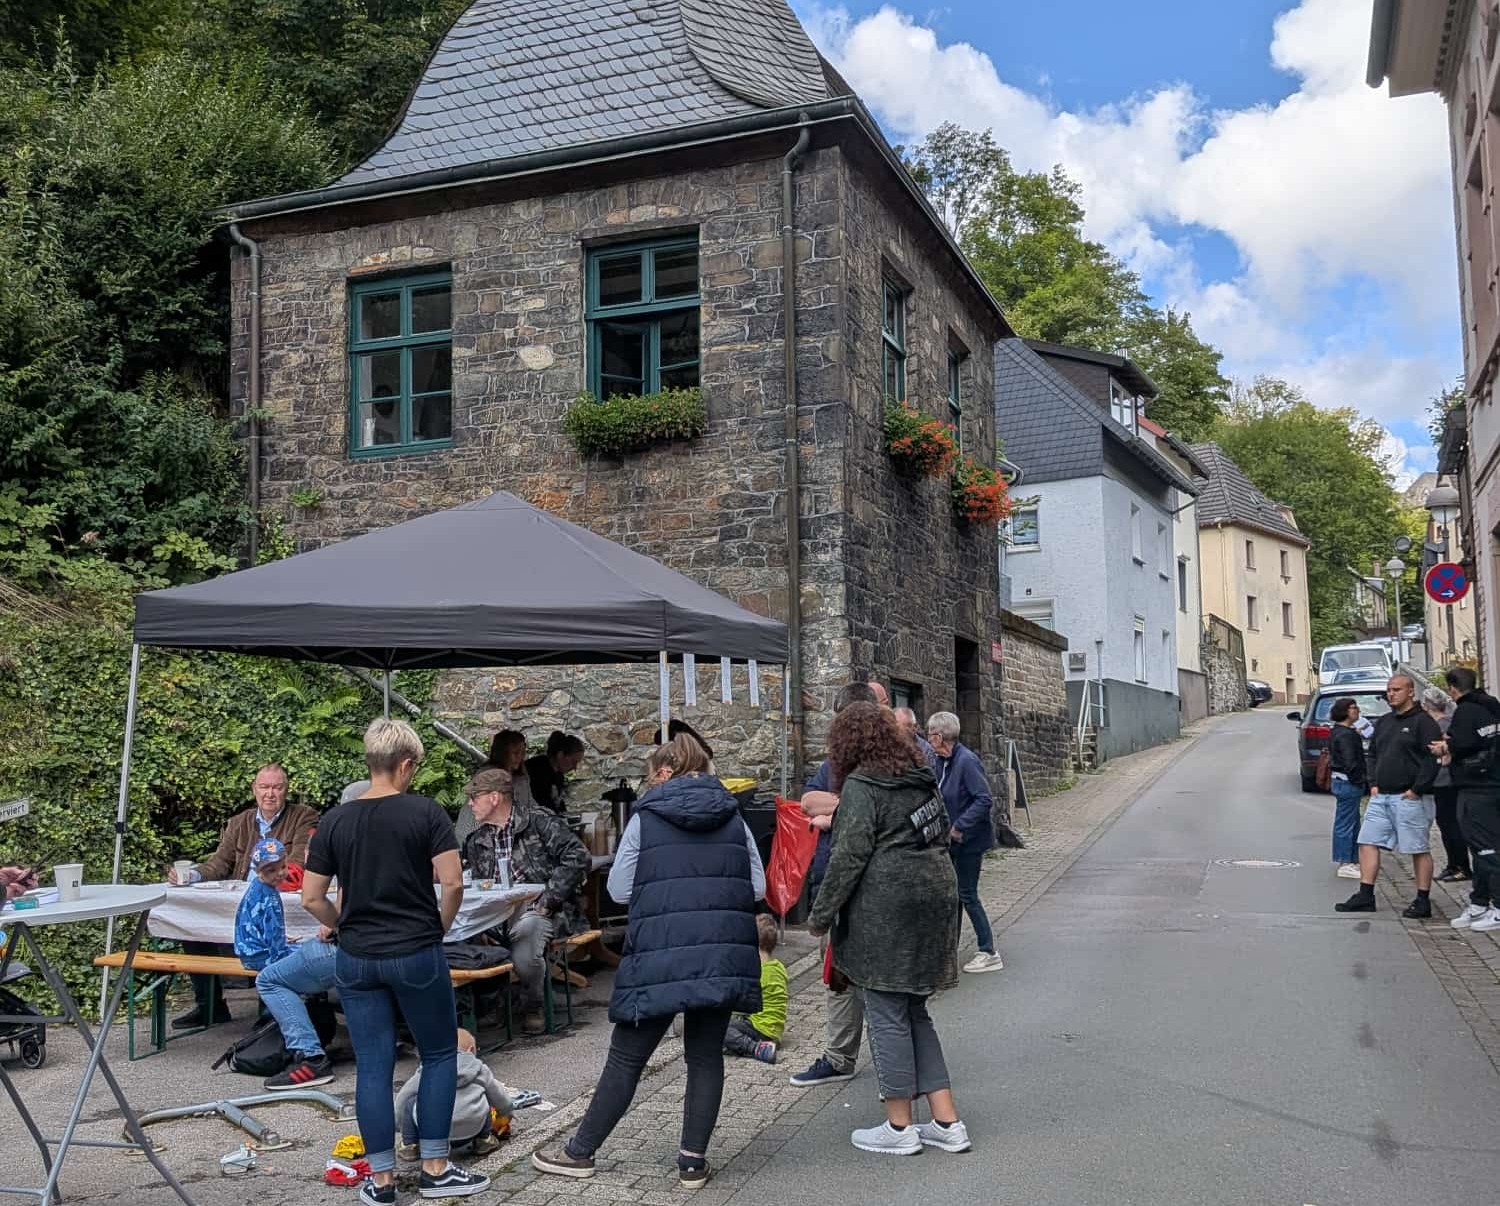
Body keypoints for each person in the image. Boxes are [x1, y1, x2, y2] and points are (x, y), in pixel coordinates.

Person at [531, 735, 765, 1190]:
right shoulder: (734, 815)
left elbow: (618, 889)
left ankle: (579, 1152)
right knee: (704, 1056)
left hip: (659, 951)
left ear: (662, 771)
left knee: (626, 1058)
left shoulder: (647, 816)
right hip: (719, 952)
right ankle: (692, 1164)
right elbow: (755, 885)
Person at [301, 719, 489, 1204]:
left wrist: (342, 922)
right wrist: (439, 927)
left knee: (373, 1066)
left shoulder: (336, 820)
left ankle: (381, 1180)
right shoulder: (425, 813)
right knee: (440, 1053)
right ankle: (435, 1167)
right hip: (415, 950)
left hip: (358, 956)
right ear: (405, 764)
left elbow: (310, 897)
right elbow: (452, 884)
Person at [808, 701, 970, 1157]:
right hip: (936, 899)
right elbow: (936, 834)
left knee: (885, 1013)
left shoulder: (862, 785)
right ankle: (946, 1121)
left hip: (887, 910)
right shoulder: (922, 778)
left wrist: (820, 917)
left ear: (847, 744)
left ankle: (900, 1127)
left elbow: (848, 859)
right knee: (916, 1010)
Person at [167, 763, 320, 1030]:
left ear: (286, 790)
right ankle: (210, 1007)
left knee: (274, 940)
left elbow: (296, 866)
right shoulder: (239, 822)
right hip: (237, 900)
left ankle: (270, 1013)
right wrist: (191, 876)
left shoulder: (303, 817)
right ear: (254, 789)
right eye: (264, 787)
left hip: (280, 898)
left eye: (276, 787)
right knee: (192, 925)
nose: (269, 793)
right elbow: (219, 864)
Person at [789, 680, 881, 1089]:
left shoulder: (896, 762)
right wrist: (852, 807)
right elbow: (808, 802)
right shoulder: (833, 765)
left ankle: (892, 1064)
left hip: (877, 888)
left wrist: (840, 810)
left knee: (880, 980)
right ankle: (840, 1056)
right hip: (837, 883)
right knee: (838, 977)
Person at [461, 766, 589, 1036]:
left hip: (544, 911)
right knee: (461, 935)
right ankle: (491, 1004)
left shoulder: (538, 821)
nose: (470, 803)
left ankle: (533, 1004)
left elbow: (577, 857)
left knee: (529, 929)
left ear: (494, 797)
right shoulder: (476, 840)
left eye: (475, 796)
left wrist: (548, 900)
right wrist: (479, 922)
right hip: (496, 917)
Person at [233, 836, 338, 1091]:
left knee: (273, 977)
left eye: (282, 867)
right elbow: (273, 938)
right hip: (259, 953)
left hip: (256, 950)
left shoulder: (263, 891)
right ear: (258, 871)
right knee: (282, 969)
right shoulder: (267, 896)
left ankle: (310, 1055)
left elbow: (277, 929)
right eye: (272, 870)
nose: (280, 874)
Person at [1335, 674, 1441, 918]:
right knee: (1367, 841)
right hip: (1381, 795)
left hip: (1409, 796)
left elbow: (1432, 758)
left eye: (1396, 690)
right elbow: (1372, 754)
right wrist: (1373, 782)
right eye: (1388, 691)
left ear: (1411, 692)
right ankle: (1366, 894)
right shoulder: (1384, 722)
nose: (1391, 694)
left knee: (1417, 847)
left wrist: (1417, 789)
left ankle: (1422, 899)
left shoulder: (1423, 723)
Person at [927, 712, 1002, 973]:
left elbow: (983, 799)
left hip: (970, 841)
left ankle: (988, 950)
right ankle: (949, 949)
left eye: (930, 734)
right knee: (953, 895)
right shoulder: (940, 761)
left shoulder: (966, 761)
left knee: (967, 894)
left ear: (940, 736)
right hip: (951, 842)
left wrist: (959, 827)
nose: (928, 739)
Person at [1436, 666, 1500, 931]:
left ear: (1453, 688)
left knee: (1485, 847)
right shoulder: (1493, 706)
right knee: (1482, 846)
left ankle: (1496, 906)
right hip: (1492, 782)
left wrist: (1444, 747)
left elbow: (1460, 743)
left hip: (1476, 785)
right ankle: (1479, 903)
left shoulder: (1465, 711)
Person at [396, 1028, 513, 1162]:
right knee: (485, 1097)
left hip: (435, 1134)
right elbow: (499, 1096)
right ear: (470, 1050)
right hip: (472, 1128)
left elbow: (402, 1098)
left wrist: (399, 1124)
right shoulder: (480, 1069)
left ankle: (410, 1145)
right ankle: (484, 1140)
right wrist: (507, 1113)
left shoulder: (429, 1069)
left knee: (411, 1102)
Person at [723, 914, 788, 1065]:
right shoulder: (778, 967)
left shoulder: (758, 972)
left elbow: (743, 1003)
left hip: (760, 1030)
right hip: (774, 1032)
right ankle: (744, 1044)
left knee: (719, 1028)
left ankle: (755, 1048)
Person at [1421, 686, 1470, 884]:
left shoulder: (1443, 725)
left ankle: (1461, 866)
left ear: (1428, 705)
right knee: (1445, 823)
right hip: (1441, 780)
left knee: (1451, 824)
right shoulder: (1443, 722)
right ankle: (1453, 864)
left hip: (1447, 780)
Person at [1327, 697, 1368, 880]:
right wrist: (1360, 780)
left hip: (1342, 781)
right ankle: (1345, 861)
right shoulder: (1345, 735)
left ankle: (1352, 859)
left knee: (1351, 821)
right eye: (1353, 708)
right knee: (1346, 822)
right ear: (1344, 711)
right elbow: (1350, 762)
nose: (1357, 710)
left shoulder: (1341, 732)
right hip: (1348, 782)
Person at [526, 731, 586, 815]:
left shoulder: (559, 775)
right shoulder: (537, 770)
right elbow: (543, 804)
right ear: (560, 755)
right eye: (573, 762)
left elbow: (558, 803)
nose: (574, 767)